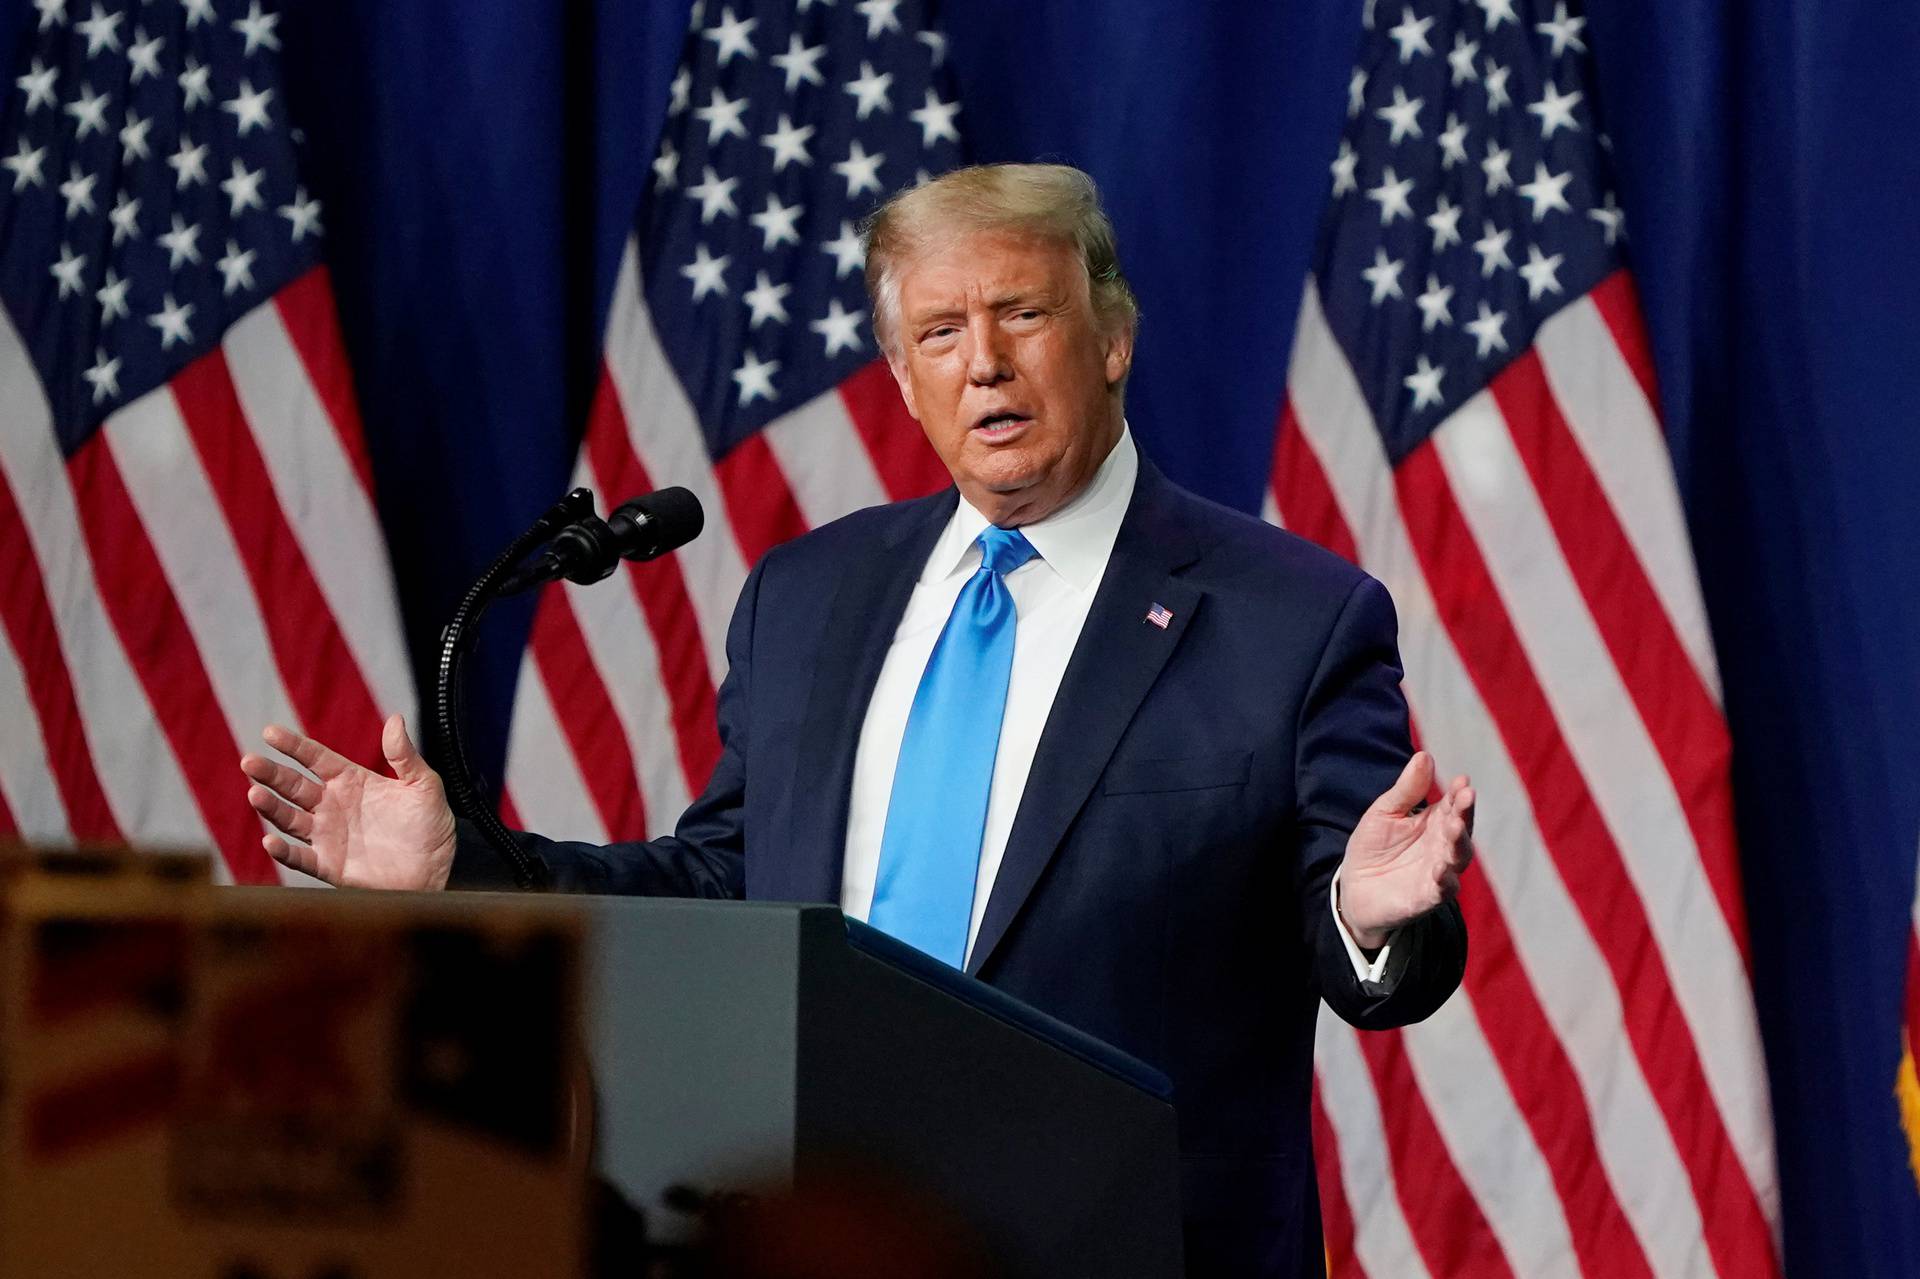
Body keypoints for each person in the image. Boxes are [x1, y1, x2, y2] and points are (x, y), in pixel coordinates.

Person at [240, 163, 1472, 1277]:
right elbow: (729, 884)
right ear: (904, 379)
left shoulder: (1293, 617)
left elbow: (1370, 954)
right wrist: (470, 870)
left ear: (1112, 340)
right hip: (829, 1239)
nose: (982, 362)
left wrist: (1364, 919)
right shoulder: (810, 597)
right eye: (940, 332)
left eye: (1022, 315)